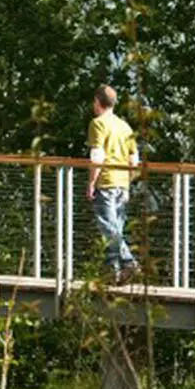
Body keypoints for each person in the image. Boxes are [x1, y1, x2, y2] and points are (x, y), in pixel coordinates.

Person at [85, 84, 140, 281]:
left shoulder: (98, 123)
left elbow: (97, 156)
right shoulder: (125, 126)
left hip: (106, 182)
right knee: (115, 227)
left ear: (98, 102)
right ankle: (113, 272)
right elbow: (134, 159)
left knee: (108, 227)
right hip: (122, 184)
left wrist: (92, 182)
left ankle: (128, 261)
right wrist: (128, 180)